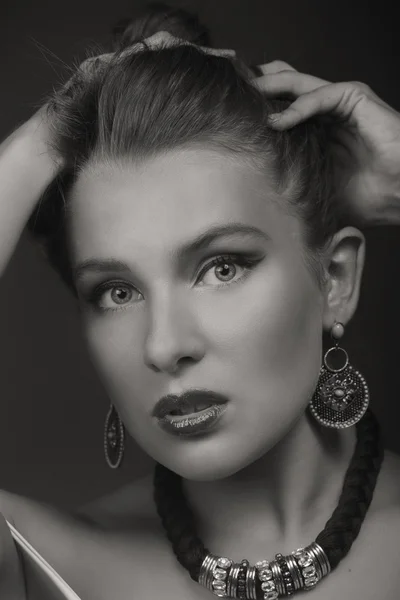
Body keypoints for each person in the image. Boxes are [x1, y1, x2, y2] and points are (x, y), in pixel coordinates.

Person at [1, 3, 400, 599]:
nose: (164, 346)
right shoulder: (40, 562)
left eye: (221, 267)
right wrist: (43, 140)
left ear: (335, 279)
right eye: (117, 292)